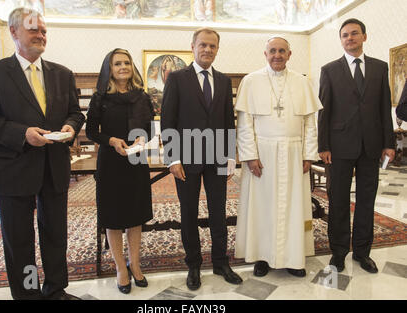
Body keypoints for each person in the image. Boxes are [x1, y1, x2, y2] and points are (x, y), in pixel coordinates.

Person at [0, 8, 85, 300]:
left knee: (55, 234)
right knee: (20, 240)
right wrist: (22, 134)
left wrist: (70, 127)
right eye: (34, 29)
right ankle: (29, 293)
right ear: (13, 32)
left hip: (54, 167)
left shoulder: (62, 74)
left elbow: (74, 113)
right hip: (14, 167)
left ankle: (56, 289)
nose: (41, 35)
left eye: (44, 30)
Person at [160, 28, 242, 291]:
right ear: (193, 47)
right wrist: (172, 158)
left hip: (218, 157)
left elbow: (229, 120)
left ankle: (220, 262)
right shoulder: (176, 79)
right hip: (187, 157)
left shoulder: (224, 80)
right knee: (189, 213)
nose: (208, 50)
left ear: (218, 49)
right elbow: (168, 120)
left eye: (213, 46)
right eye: (203, 45)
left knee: (219, 212)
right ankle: (193, 264)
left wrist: (230, 155)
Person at [234, 37, 322, 278]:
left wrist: (308, 155)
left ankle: (294, 258)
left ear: (289, 54)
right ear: (265, 53)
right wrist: (250, 155)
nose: (277, 55)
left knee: (295, 206)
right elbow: (245, 124)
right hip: (262, 155)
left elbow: (309, 124)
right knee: (262, 207)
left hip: (294, 153)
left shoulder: (301, 83)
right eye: (273, 51)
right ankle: (262, 256)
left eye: (282, 51)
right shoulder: (251, 82)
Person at [318, 18, 395, 274]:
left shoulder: (380, 68)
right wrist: (323, 145)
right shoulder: (329, 70)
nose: (349, 38)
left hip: (371, 147)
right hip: (338, 148)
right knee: (338, 200)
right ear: (340, 40)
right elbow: (324, 111)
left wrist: (389, 143)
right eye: (344, 35)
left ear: (364, 36)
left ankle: (363, 252)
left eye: (354, 34)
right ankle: (338, 252)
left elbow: (385, 108)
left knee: (366, 201)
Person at [85, 48, 154, 294]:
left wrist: (141, 141)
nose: (123, 67)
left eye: (126, 62)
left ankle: (134, 264)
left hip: (136, 161)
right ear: (109, 69)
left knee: (135, 215)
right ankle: (120, 268)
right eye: (117, 64)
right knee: (113, 217)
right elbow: (92, 131)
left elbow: (150, 130)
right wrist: (112, 140)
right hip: (111, 162)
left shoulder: (142, 97)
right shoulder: (100, 98)